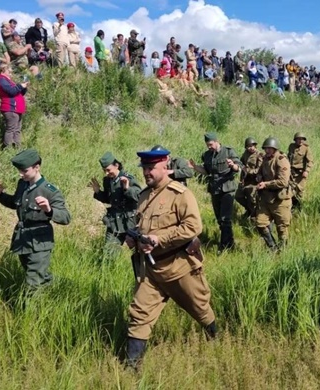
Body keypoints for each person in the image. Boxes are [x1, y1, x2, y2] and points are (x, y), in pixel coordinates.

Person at [124, 147, 215, 369]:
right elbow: (142, 226)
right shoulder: (144, 196)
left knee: (200, 308)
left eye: (151, 168)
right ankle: (131, 366)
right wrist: (134, 238)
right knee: (139, 314)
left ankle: (215, 338)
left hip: (179, 267)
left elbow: (194, 227)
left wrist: (159, 239)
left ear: (165, 166)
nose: (147, 172)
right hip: (151, 271)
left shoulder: (180, 194)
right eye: (144, 168)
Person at [0, 149, 71, 289]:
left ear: (37, 167)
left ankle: (30, 309)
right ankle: (59, 288)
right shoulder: (22, 184)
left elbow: (66, 217)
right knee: (37, 275)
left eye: (24, 170)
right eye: (19, 170)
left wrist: (49, 210)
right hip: (22, 239)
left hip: (40, 242)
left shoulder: (49, 190)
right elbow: (15, 203)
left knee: (32, 283)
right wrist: (0, 195)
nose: (20, 174)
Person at [189, 133, 241, 254]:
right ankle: (230, 243)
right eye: (207, 145)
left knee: (225, 219)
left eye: (211, 144)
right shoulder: (207, 155)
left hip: (227, 188)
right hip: (214, 189)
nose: (209, 147)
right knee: (219, 219)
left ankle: (224, 247)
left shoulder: (228, 152)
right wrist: (195, 167)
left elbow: (239, 168)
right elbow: (206, 171)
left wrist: (233, 165)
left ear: (217, 141)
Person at [89, 152, 141, 257]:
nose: (106, 173)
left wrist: (127, 189)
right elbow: (110, 199)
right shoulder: (107, 181)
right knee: (109, 253)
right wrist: (98, 192)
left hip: (129, 222)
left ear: (116, 165)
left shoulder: (128, 178)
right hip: (114, 222)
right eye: (104, 171)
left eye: (108, 170)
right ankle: (108, 272)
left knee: (138, 251)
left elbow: (139, 197)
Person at [256, 137, 292, 251]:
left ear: (275, 148)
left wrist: (266, 184)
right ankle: (273, 248)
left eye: (269, 149)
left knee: (282, 227)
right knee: (260, 223)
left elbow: (283, 181)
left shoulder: (281, 160)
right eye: (266, 149)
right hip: (266, 198)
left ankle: (283, 251)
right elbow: (260, 172)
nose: (267, 151)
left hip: (280, 199)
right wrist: (259, 177)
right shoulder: (265, 160)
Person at [0, 64, 27, 149]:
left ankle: (17, 148)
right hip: (11, 108)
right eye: (9, 72)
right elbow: (11, 91)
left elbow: (19, 93)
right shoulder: (2, 80)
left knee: (17, 130)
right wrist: (20, 86)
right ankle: (7, 148)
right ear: (3, 70)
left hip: (16, 109)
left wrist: (23, 87)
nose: (11, 74)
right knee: (11, 129)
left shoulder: (8, 81)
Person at [235, 137, 263, 219]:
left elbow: (259, 169)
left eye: (252, 146)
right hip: (245, 180)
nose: (250, 148)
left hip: (254, 181)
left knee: (252, 199)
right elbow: (241, 163)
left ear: (255, 146)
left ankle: (254, 215)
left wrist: (248, 171)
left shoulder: (259, 155)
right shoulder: (245, 154)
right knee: (238, 196)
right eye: (248, 146)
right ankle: (249, 210)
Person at [287, 132, 314, 212]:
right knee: (290, 190)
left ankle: (299, 209)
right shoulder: (291, 146)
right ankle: (291, 207)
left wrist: (307, 171)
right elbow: (289, 157)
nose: (300, 141)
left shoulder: (306, 148)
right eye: (298, 139)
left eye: (302, 139)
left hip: (300, 174)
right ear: (295, 140)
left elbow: (310, 161)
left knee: (299, 191)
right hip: (291, 172)